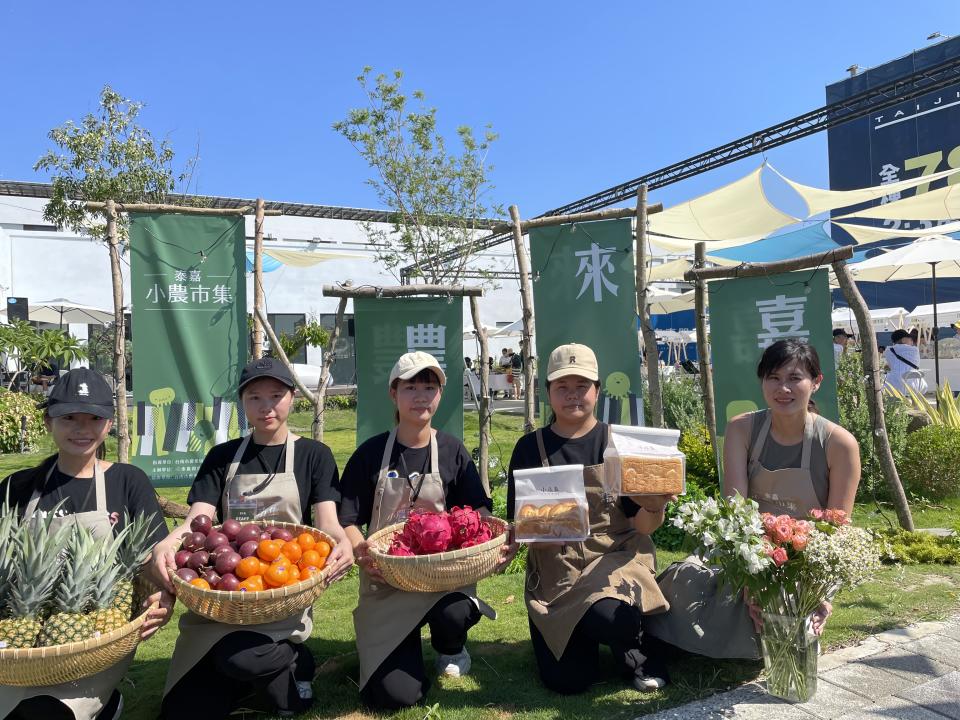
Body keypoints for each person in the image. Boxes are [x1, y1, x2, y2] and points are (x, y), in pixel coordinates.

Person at [153, 357, 353, 720]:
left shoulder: (314, 455)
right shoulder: (223, 457)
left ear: (292, 397)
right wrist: (169, 541)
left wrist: (344, 543)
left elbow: (328, 524)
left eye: (276, 395)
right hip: (227, 593)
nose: (266, 407)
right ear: (242, 403)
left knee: (242, 660)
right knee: (182, 711)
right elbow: (199, 520)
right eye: (254, 398)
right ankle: (253, 673)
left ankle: (294, 658)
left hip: (282, 592)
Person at [647, 339, 861, 658]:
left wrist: (819, 591)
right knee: (687, 582)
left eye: (794, 378)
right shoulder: (742, 429)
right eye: (773, 378)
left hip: (802, 562)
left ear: (816, 382)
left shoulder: (839, 444)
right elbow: (735, 510)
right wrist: (750, 574)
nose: (783, 388)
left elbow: (837, 531)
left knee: (782, 606)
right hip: (744, 548)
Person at [0, 368, 172, 720]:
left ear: (109, 424)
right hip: (21, 640)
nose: (82, 428)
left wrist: (163, 595)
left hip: (96, 638)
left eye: (93, 417)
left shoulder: (128, 481)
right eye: (69, 418)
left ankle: (102, 703)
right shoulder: (17, 488)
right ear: (48, 422)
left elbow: (154, 555)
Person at [506, 343, 672, 695]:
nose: (572, 396)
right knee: (569, 682)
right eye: (562, 387)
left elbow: (641, 527)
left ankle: (634, 645)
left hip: (615, 561)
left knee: (615, 619)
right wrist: (537, 529)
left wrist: (656, 505)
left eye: (581, 386)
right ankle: (577, 632)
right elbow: (519, 527)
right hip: (557, 572)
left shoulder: (621, 444)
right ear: (547, 392)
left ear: (597, 390)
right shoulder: (528, 448)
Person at [338, 351, 499, 710]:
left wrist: (492, 540)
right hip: (386, 582)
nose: (421, 396)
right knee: (394, 698)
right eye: (410, 387)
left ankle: (450, 647)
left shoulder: (452, 451)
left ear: (440, 395)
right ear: (393, 394)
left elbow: (480, 511)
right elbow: (347, 518)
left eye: (430, 387)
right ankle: (400, 646)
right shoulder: (371, 453)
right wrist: (360, 548)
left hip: (443, 579)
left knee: (455, 612)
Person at [883, 328, 927, 395]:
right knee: (915, 392)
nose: (912, 342)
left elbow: (891, 366)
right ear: (903, 340)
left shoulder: (888, 351)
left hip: (894, 385)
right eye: (911, 340)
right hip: (915, 385)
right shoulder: (915, 350)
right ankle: (914, 404)